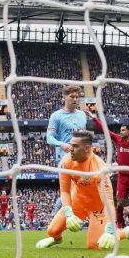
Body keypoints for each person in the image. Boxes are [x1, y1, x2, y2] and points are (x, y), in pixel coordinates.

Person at [36, 129, 129, 250]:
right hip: (76, 203)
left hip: (97, 209)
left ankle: (125, 232)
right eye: (70, 145)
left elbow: (108, 201)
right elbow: (64, 191)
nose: (70, 149)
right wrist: (68, 213)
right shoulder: (65, 162)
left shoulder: (99, 169)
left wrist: (110, 230)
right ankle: (57, 239)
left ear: (87, 148)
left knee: (94, 245)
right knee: (52, 231)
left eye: (75, 146)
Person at [47, 85, 87, 215]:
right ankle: (56, 217)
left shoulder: (82, 115)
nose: (75, 99)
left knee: (81, 188)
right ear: (64, 97)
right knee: (68, 190)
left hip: (82, 157)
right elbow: (49, 138)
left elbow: (83, 136)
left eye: (77, 96)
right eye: (72, 96)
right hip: (65, 157)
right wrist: (61, 144)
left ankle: (60, 216)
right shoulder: (56, 116)